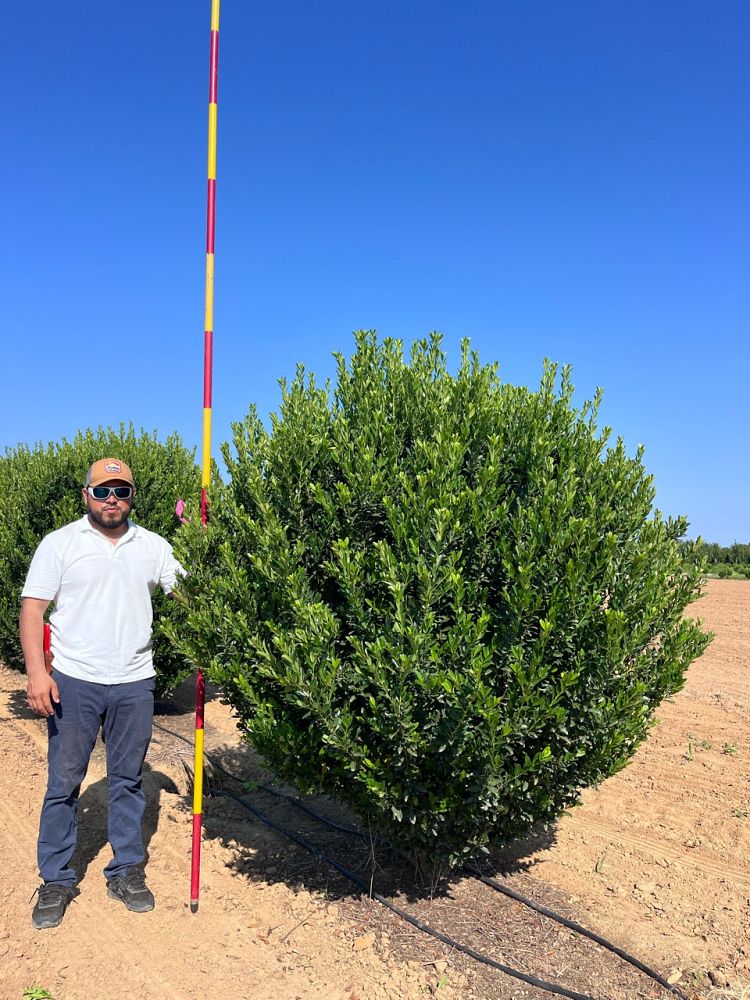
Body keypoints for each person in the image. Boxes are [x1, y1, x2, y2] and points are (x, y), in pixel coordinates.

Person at [20, 458, 185, 929]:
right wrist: (37, 673)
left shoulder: (153, 546)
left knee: (128, 780)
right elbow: (33, 610)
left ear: (132, 496)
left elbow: (192, 596)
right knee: (64, 783)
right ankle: (55, 877)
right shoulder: (61, 543)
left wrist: (203, 542)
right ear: (86, 495)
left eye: (122, 490)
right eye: (103, 490)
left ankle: (126, 870)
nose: (112, 499)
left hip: (134, 681)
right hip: (74, 679)